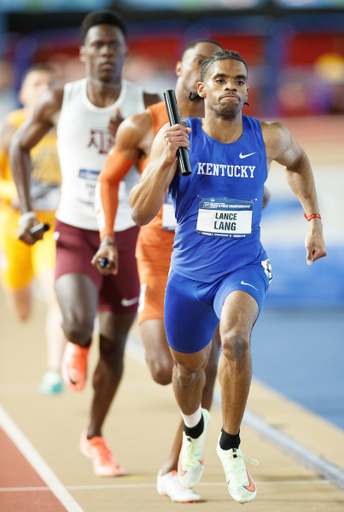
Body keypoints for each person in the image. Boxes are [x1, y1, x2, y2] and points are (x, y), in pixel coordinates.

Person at [129, 50, 327, 504]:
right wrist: (164, 160)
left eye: (239, 80)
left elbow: (299, 162)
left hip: (243, 267)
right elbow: (139, 213)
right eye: (220, 79)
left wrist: (313, 219)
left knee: (236, 339)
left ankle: (230, 446)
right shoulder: (178, 136)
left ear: (247, 90)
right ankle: (195, 431)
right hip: (187, 278)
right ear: (201, 88)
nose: (231, 87)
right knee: (187, 373)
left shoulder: (269, 137)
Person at [10, 10, 160, 478]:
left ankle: (94, 436)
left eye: (114, 45)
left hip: (129, 233)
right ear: (83, 52)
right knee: (77, 324)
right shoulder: (60, 99)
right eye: (97, 45)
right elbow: (18, 146)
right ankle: (75, 344)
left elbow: (171, 164)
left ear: (124, 51)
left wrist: (139, 149)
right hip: (75, 229)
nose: (106, 53)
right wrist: (27, 210)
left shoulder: (148, 103)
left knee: (114, 348)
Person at [92, 39, 224, 503]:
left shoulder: (229, 129)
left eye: (216, 69)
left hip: (213, 258)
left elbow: (253, 186)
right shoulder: (144, 124)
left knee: (205, 367)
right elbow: (110, 180)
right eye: (197, 65)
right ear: (181, 69)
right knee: (164, 370)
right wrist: (108, 235)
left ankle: (177, 467)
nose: (205, 75)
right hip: (157, 257)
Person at [0, 63, 66, 395]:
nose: (44, 89)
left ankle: (54, 370)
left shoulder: (65, 128)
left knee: (58, 293)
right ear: (23, 93)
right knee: (21, 309)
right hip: (15, 226)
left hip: (51, 226)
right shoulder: (10, 127)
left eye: (51, 83)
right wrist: (13, 194)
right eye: (37, 83)